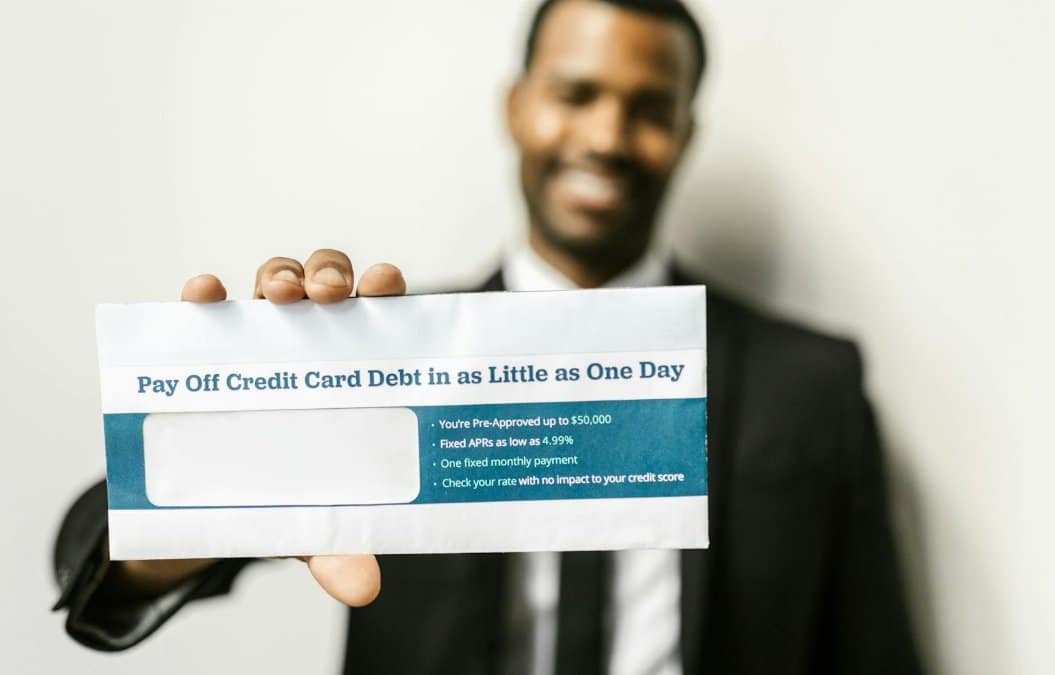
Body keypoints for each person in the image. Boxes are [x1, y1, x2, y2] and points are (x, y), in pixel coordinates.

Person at [53, 1, 923, 673]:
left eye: (649, 107)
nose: (607, 136)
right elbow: (86, 547)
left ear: (685, 135)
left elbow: (876, 653)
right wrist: (211, 483)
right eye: (575, 94)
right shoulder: (378, 362)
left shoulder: (810, 384)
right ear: (516, 107)